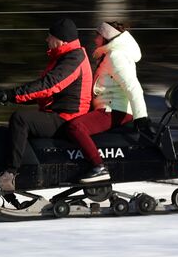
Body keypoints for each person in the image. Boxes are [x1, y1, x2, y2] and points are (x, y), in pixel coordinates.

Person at [0, 18, 93, 192]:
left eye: (50, 36)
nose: (47, 40)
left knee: (20, 119)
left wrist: (13, 94)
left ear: (61, 39)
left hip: (68, 118)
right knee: (6, 128)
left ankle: (10, 175)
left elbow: (49, 85)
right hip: (58, 113)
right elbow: (46, 92)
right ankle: (10, 169)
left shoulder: (74, 58)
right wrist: (10, 97)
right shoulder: (65, 57)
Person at [65, 21, 152, 183]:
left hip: (115, 109)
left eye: (98, 35)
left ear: (106, 37)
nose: (95, 39)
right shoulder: (110, 55)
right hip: (110, 107)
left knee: (76, 127)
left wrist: (142, 118)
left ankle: (99, 167)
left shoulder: (116, 56)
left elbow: (133, 87)